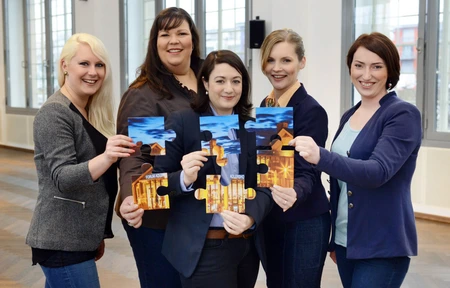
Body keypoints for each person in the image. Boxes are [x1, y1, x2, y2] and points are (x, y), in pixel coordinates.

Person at [125, 50, 272, 287]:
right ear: (205, 83)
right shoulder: (181, 121)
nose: (229, 89)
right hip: (204, 247)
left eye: (236, 81)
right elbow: (153, 184)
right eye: (220, 81)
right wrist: (184, 177)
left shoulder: (254, 127)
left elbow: (266, 186)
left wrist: (250, 218)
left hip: (246, 246)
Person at [289, 32, 421, 288]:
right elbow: (341, 183)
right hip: (346, 241)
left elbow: (377, 172)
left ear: (390, 70)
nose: (366, 75)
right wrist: (335, 240)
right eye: (359, 65)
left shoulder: (402, 114)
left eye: (376, 66)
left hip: (382, 245)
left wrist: (320, 156)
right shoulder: (350, 115)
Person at [26, 33, 135, 288]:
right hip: (61, 240)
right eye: (84, 64)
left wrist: (95, 234)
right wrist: (108, 156)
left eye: (99, 65)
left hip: (80, 237)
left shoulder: (90, 110)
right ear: (65, 65)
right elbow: (63, 178)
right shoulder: (55, 112)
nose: (93, 72)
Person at [116, 7, 202, 288]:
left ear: (193, 40)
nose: (173, 40)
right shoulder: (147, 93)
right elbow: (136, 156)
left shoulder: (210, 79)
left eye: (181, 33)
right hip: (159, 219)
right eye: (165, 34)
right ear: (155, 43)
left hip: (202, 214)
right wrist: (131, 197)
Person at [258, 28, 331, 287]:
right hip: (270, 217)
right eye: (271, 60)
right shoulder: (265, 107)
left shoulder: (311, 111)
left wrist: (295, 193)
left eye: (286, 60)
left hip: (304, 221)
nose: (277, 68)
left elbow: (309, 172)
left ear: (302, 62)